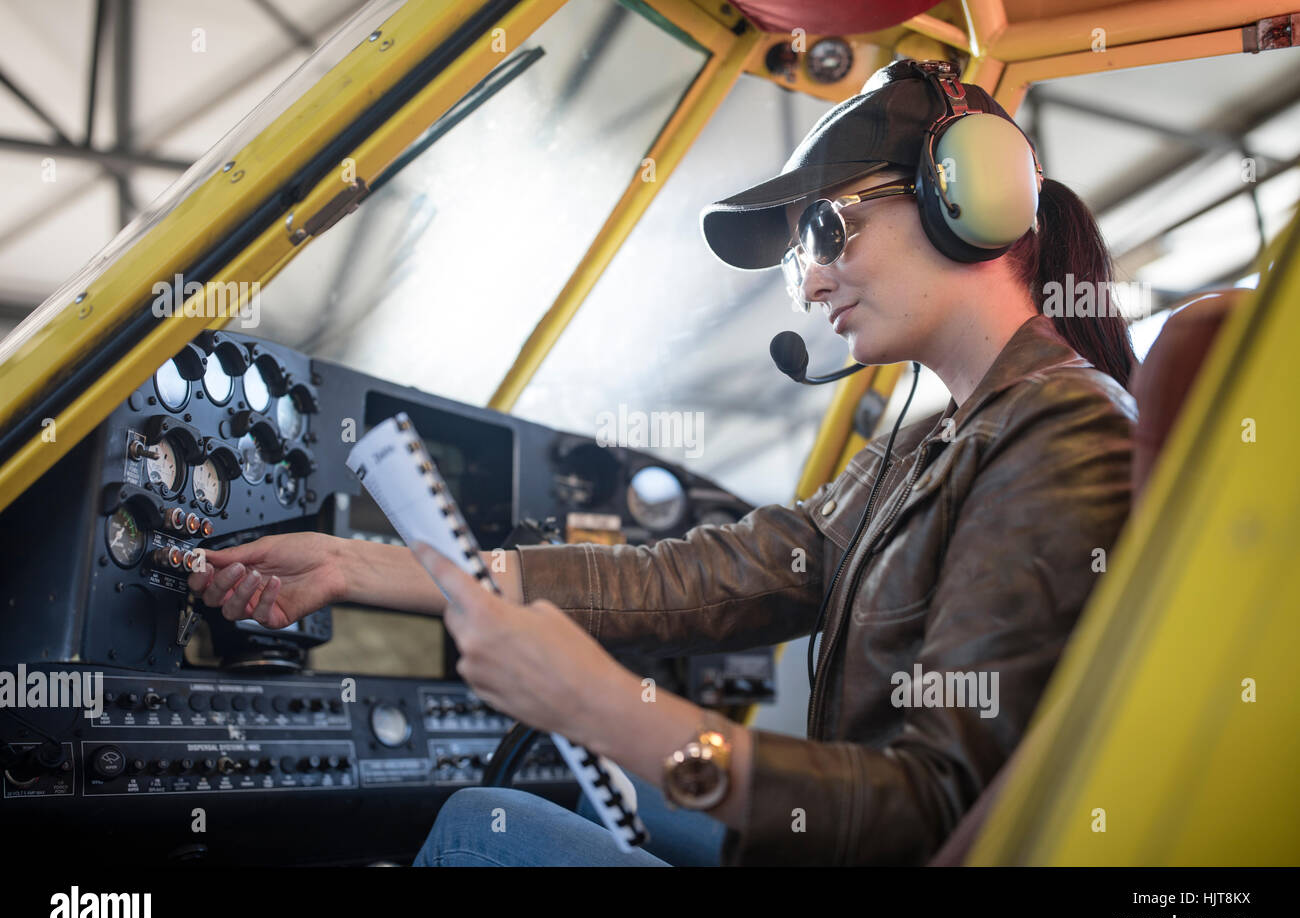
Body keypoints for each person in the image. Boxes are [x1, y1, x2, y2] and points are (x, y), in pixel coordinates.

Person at [188, 60, 1137, 866]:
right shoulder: (932, 444)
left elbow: (931, 811)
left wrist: (602, 706)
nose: (807, 280)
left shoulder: (1062, 431)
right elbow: (686, 579)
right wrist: (358, 566)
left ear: (968, 194)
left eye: (826, 229)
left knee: (485, 828)